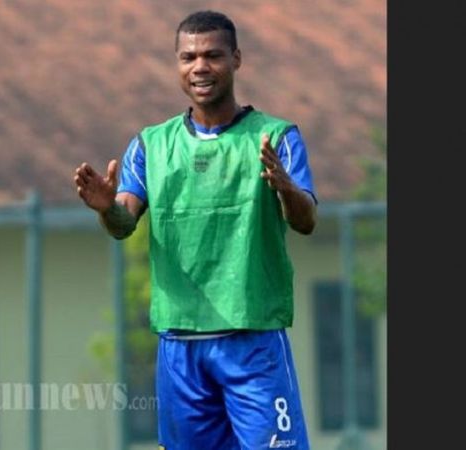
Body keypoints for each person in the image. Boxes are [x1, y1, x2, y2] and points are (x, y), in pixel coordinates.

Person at [74, 10, 316, 450]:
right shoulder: (150, 144)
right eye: (188, 57)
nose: (199, 67)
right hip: (180, 343)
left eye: (212, 55)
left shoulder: (276, 138)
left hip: (252, 338)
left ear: (236, 59)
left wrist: (285, 189)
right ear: (177, 64)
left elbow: (306, 221)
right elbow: (124, 224)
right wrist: (107, 208)